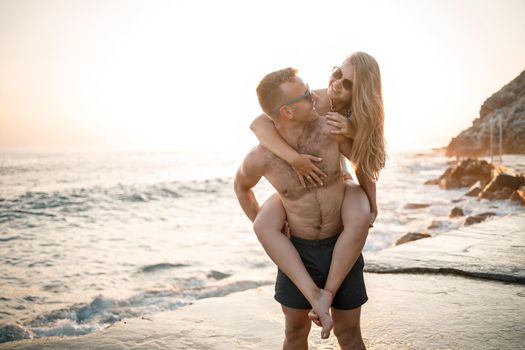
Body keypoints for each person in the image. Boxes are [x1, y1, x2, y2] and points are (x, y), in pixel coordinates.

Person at [249, 52, 386, 336]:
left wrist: (373, 202)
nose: (336, 83)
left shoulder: (365, 117)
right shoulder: (319, 99)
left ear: (361, 91)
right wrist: (293, 158)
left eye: (347, 83)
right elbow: (260, 124)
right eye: (337, 72)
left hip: (336, 179)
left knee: (360, 215)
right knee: (263, 223)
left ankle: (329, 291)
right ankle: (315, 294)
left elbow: (367, 163)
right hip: (303, 183)